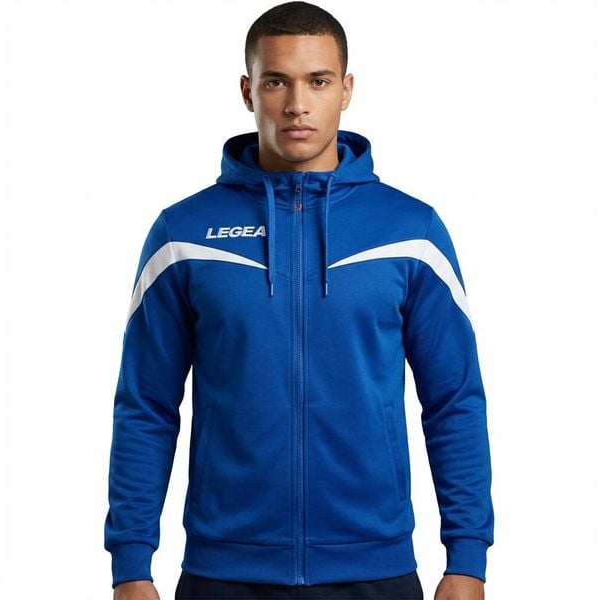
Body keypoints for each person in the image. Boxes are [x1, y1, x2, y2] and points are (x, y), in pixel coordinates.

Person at [104, 2, 494, 599]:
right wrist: (131, 565)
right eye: (276, 82)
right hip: (224, 572)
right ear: (247, 91)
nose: (297, 104)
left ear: (347, 89)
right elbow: (146, 405)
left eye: (318, 81)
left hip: (375, 568)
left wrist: (467, 558)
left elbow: (454, 400)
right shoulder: (183, 233)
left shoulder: (411, 231)